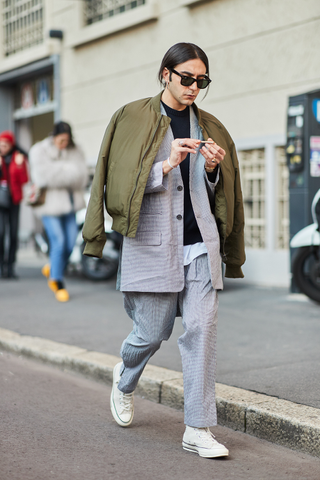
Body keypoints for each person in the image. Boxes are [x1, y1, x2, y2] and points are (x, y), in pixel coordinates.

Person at [83, 43, 245, 458]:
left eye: (202, 80)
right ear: (165, 74)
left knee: (201, 334)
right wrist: (166, 164)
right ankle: (124, 378)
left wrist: (210, 170)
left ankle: (197, 428)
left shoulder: (210, 125)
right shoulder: (131, 118)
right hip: (152, 244)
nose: (194, 86)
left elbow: (219, 194)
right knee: (150, 333)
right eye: (187, 77)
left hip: (199, 246)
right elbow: (117, 183)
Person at [29, 121, 88, 302]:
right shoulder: (40, 150)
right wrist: (68, 171)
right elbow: (43, 177)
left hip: (70, 205)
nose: (63, 144)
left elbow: (81, 176)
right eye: (61, 140)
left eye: (66, 140)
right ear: (54, 137)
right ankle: (57, 281)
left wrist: (61, 171)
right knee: (59, 242)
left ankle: (52, 267)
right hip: (49, 206)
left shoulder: (76, 150)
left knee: (70, 244)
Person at [0, 131, 28, 279]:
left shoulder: (19, 157)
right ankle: (0, 266)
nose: (2, 148)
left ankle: (10, 267)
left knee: (13, 234)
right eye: (1, 145)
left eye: (5, 145)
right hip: (0, 202)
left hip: (14, 201)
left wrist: (18, 166)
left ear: (11, 145)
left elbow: (24, 179)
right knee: (0, 233)